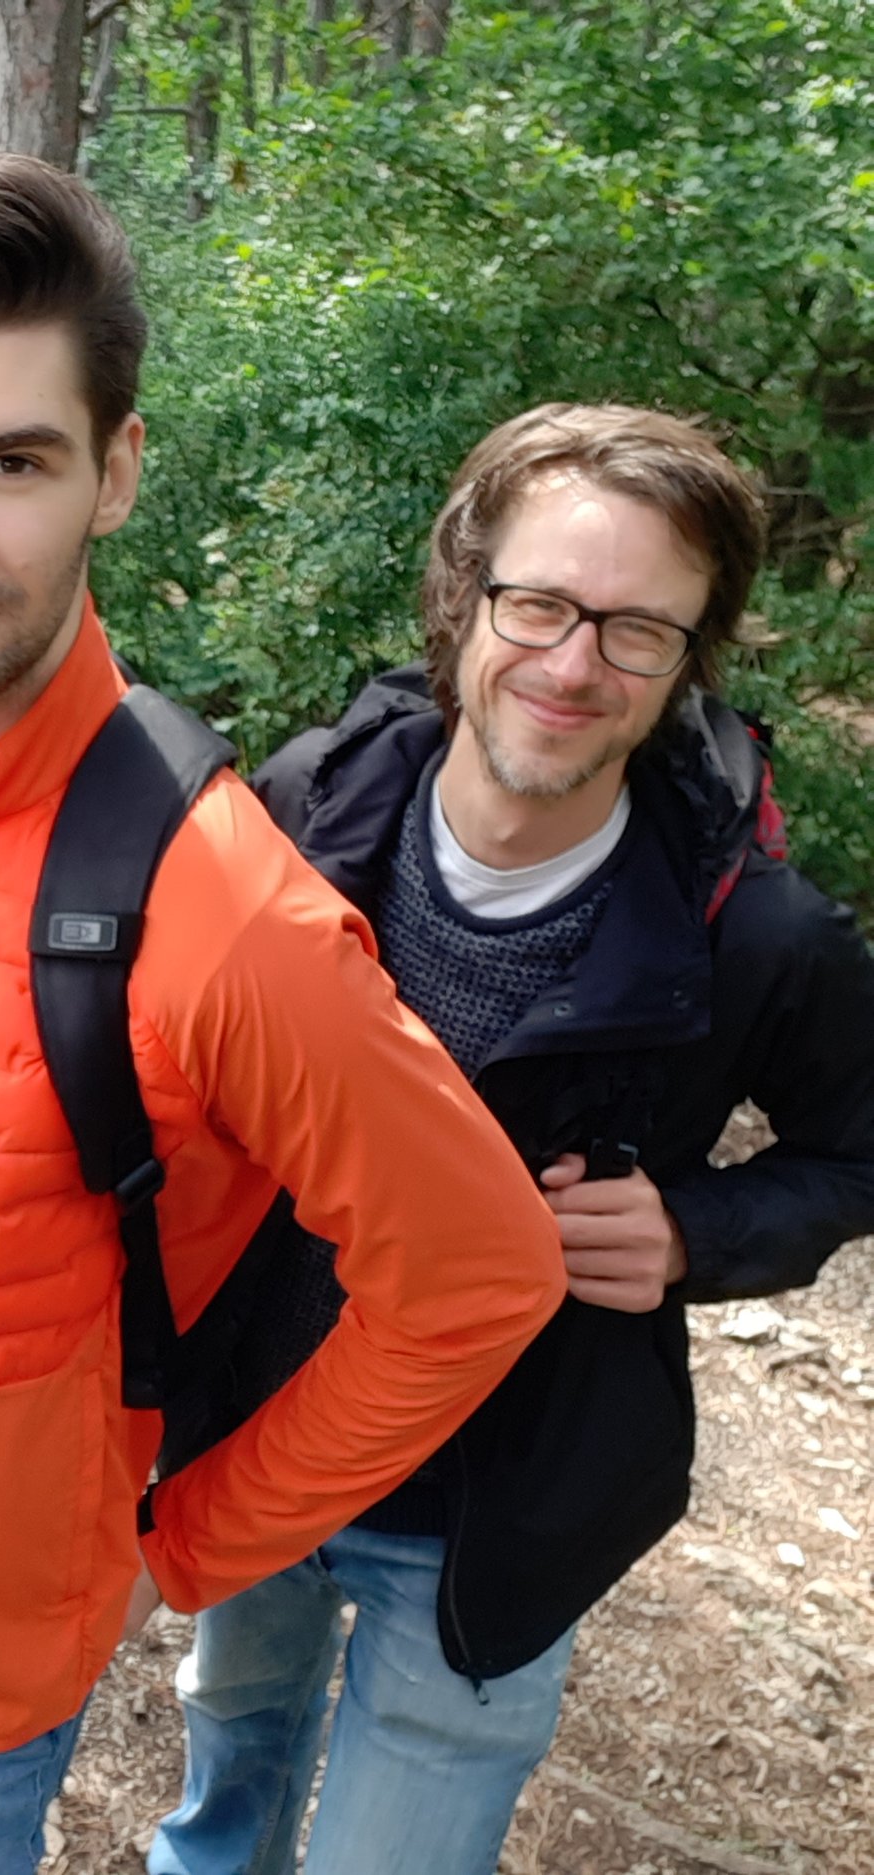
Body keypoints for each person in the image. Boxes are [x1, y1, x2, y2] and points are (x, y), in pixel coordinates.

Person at [0, 154, 572, 1875]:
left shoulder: (212, 900)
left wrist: (187, 1537)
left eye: (9, 463)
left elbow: (475, 1271)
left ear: (116, 471)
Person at [148, 406, 874, 1875]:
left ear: (692, 658)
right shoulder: (301, 806)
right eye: (538, 603)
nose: (570, 664)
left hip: (501, 1499)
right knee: (228, 1773)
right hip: (265, 1435)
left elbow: (860, 1149)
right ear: (462, 596)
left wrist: (699, 1230)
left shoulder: (757, 930)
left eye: (635, 630)